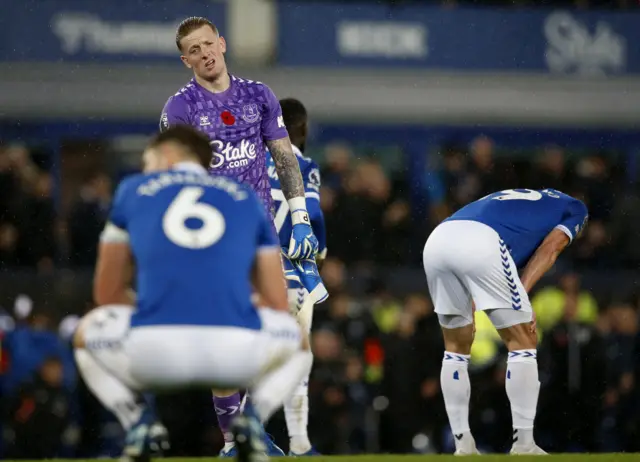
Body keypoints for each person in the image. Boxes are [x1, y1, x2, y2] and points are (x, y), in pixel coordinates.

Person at [72, 126, 313, 462]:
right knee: (299, 340)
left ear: (168, 155)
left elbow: (106, 292)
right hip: (233, 355)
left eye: (148, 161)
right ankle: (253, 421)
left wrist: (156, 306)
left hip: (154, 355)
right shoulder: (245, 196)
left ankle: (138, 422)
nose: (146, 170)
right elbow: (275, 299)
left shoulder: (132, 190)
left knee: (86, 332)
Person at [422, 188, 588, 455]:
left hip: (438, 239)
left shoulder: (519, 200)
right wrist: (523, 292)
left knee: (455, 347)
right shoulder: (575, 208)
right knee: (523, 340)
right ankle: (524, 444)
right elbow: (550, 250)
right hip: (479, 240)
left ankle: (463, 445)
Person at [160, 16, 317, 261]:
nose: (205, 53)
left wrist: (301, 219)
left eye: (208, 44)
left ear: (222, 44)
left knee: (270, 300)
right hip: (209, 235)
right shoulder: (180, 108)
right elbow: (173, 179)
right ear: (186, 61)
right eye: (195, 50)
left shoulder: (259, 95)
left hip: (260, 233)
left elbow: (284, 158)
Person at [268, 98, 327, 455]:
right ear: (302, 130)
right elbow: (314, 215)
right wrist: (320, 252)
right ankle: (299, 441)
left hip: (246, 263)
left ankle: (240, 436)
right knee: (298, 350)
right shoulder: (303, 164)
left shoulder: (251, 163)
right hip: (290, 265)